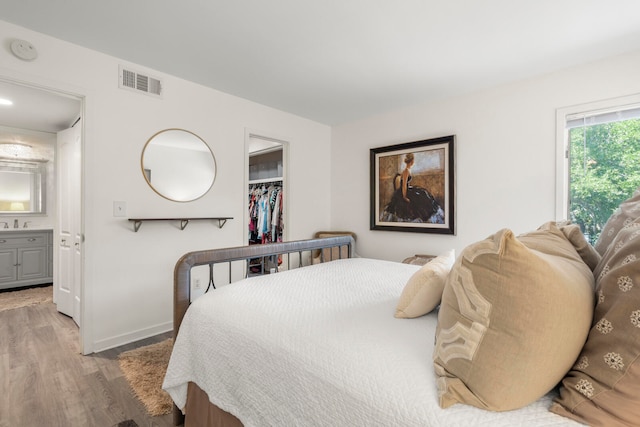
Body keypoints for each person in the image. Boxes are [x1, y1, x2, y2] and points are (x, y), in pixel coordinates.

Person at [382, 152, 443, 223]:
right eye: (413, 160)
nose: (413, 162)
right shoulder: (406, 171)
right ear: (411, 161)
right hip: (404, 191)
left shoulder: (408, 170)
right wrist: (404, 196)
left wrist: (410, 187)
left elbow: (407, 184)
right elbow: (404, 185)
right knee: (416, 200)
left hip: (408, 188)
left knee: (423, 194)